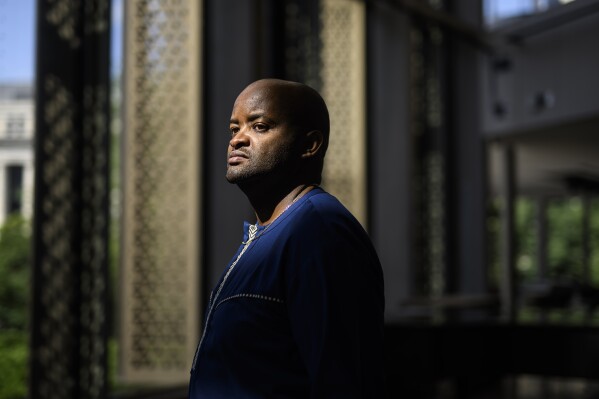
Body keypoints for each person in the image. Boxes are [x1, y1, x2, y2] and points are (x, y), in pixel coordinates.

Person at [189, 79, 385, 398]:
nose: (238, 139)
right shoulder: (268, 235)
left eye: (260, 126)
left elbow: (343, 380)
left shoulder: (318, 230)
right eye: (233, 128)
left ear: (309, 145)